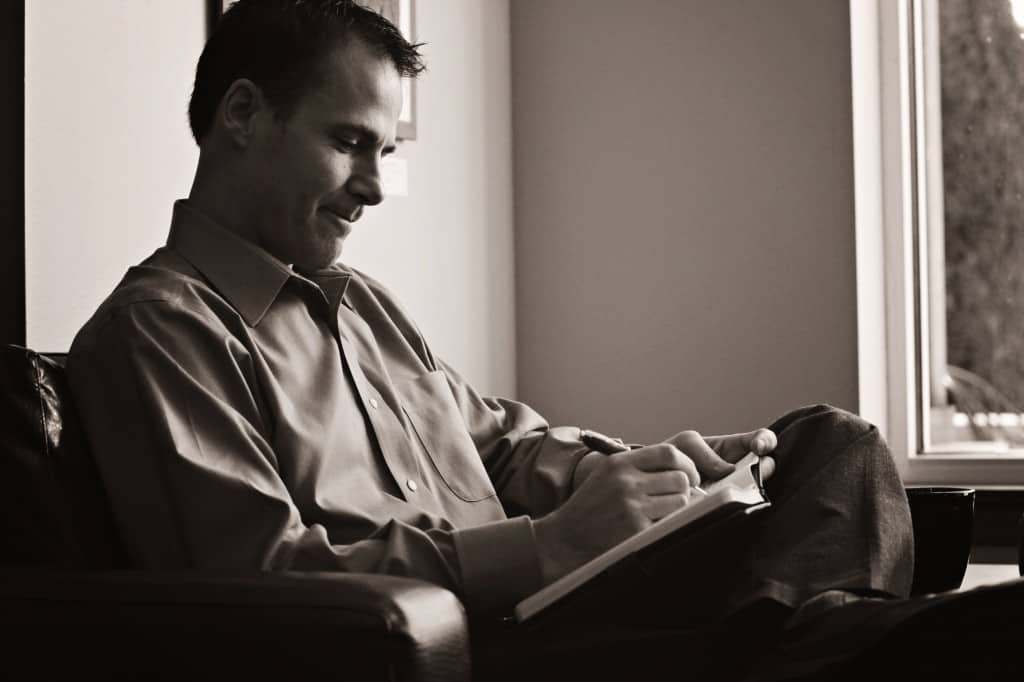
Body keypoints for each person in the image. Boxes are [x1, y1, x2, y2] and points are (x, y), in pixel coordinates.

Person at [67, 1, 918, 679]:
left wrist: (653, 476)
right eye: (349, 143)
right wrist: (547, 547)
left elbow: (501, 449)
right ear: (244, 113)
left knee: (830, 443)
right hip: (486, 644)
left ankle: (811, 646)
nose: (371, 187)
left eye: (383, 150)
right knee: (898, 637)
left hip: (577, 595)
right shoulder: (161, 328)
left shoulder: (364, 305)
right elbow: (261, 582)